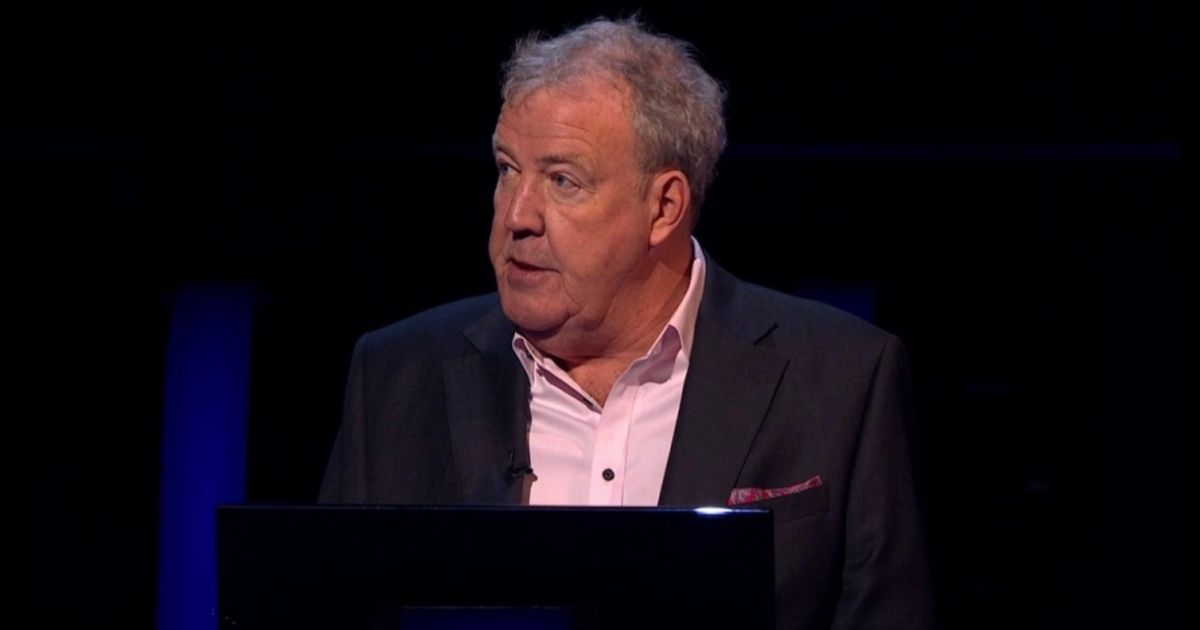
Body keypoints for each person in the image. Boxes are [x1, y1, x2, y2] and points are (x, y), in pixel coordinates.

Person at [320, 17, 932, 630]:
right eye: (507, 170)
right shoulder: (396, 375)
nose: (517, 216)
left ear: (664, 207)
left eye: (563, 181)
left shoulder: (842, 379)